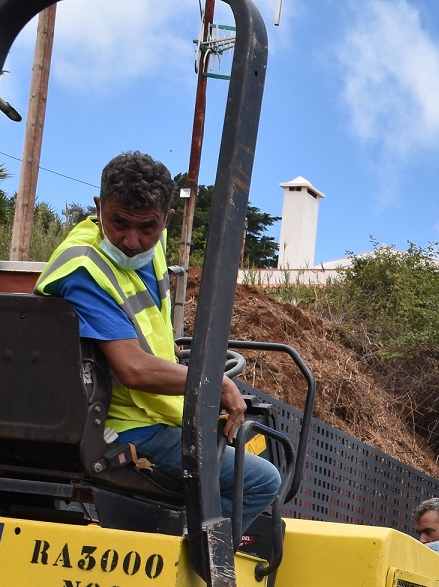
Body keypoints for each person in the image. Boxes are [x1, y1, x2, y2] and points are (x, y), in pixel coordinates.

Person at [36, 151, 281, 532]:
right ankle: (186, 558)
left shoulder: (150, 249)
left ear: (166, 220)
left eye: (147, 227)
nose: (131, 241)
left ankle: (175, 533)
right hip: (123, 428)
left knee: (248, 447)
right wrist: (214, 383)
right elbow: (133, 369)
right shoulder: (85, 270)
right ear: (99, 207)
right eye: (118, 223)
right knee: (262, 480)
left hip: (155, 414)